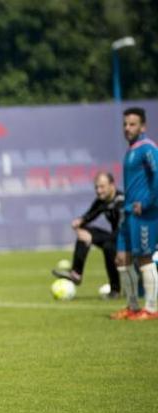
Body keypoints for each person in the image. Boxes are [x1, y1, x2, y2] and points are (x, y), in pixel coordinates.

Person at [110, 107, 158, 321]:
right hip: (129, 213)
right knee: (122, 258)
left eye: (132, 124)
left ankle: (152, 308)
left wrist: (147, 203)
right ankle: (132, 306)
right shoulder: (131, 151)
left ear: (143, 126)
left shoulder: (148, 148)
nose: (127, 128)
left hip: (144, 213)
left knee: (145, 259)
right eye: (125, 124)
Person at [52, 172, 123, 298]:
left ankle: (115, 290)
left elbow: (123, 230)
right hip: (114, 238)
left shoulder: (121, 201)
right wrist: (79, 222)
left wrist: (93, 238)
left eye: (102, 187)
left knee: (108, 246)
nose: (98, 190)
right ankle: (76, 273)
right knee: (85, 232)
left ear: (112, 185)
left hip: (128, 239)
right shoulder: (102, 201)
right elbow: (90, 215)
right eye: (96, 187)